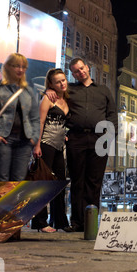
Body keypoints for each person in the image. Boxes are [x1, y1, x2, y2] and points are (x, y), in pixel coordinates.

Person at [64, 58, 117, 232]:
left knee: (94, 182)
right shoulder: (69, 90)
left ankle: (91, 222)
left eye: (82, 68)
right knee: (77, 181)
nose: (81, 72)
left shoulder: (103, 90)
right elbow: (54, 96)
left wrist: (109, 138)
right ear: (72, 74)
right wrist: (49, 91)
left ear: (87, 67)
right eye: (76, 71)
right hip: (76, 138)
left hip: (99, 139)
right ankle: (77, 222)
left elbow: (112, 115)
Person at [0, 53, 40, 182]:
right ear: (7, 67)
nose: (20, 70)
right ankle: (1, 203)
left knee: (18, 181)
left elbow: (35, 118)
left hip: (25, 141)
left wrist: (33, 139)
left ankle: (15, 204)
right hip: (3, 139)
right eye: (16, 66)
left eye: (23, 67)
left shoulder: (29, 91)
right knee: (1, 180)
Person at [31, 68, 70, 233]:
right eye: (58, 81)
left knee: (59, 184)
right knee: (43, 183)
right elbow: (40, 122)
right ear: (51, 84)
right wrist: (37, 144)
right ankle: (40, 222)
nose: (62, 83)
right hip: (46, 143)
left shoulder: (66, 99)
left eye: (64, 80)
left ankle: (59, 221)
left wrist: (64, 135)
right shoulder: (48, 98)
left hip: (60, 145)